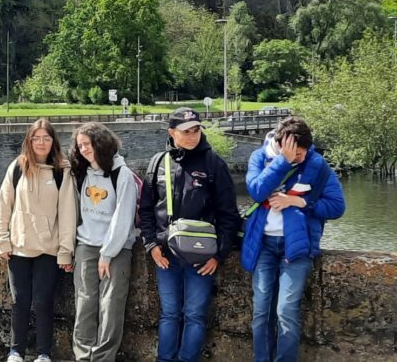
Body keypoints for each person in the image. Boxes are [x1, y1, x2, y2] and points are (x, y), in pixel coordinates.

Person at [241, 117, 345, 362]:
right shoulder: (259, 158)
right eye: (294, 152)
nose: (299, 157)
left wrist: (300, 202)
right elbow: (256, 190)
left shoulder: (317, 166)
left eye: (302, 152)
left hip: (296, 246)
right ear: (279, 145)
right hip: (263, 244)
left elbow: (337, 207)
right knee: (261, 311)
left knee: (286, 310)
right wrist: (282, 162)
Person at [139, 107, 239, 362]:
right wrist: (151, 244)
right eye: (186, 131)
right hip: (166, 254)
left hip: (202, 255)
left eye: (196, 130)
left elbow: (229, 214)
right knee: (169, 313)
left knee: (195, 314)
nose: (193, 135)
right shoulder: (158, 162)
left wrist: (219, 255)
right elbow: (146, 209)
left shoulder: (214, 163)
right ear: (172, 132)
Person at [0, 119, 76, 362]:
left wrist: (65, 250)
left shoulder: (62, 170)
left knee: (43, 302)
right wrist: (2, 240)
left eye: (46, 138)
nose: (41, 142)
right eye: (36, 138)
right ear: (29, 141)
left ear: (53, 142)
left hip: (49, 249)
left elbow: (68, 213)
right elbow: (3, 205)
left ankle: (43, 353)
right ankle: (15, 350)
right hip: (18, 247)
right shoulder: (18, 166)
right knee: (20, 301)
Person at [70, 122, 139, 362]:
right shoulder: (80, 173)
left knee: (110, 306)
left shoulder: (123, 174)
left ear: (101, 143)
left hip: (117, 248)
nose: (84, 150)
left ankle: (102, 358)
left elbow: (123, 216)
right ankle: (83, 355)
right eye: (80, 146)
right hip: (86, 244)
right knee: (84, 303)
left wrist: (108, 252)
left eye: (87, 144)